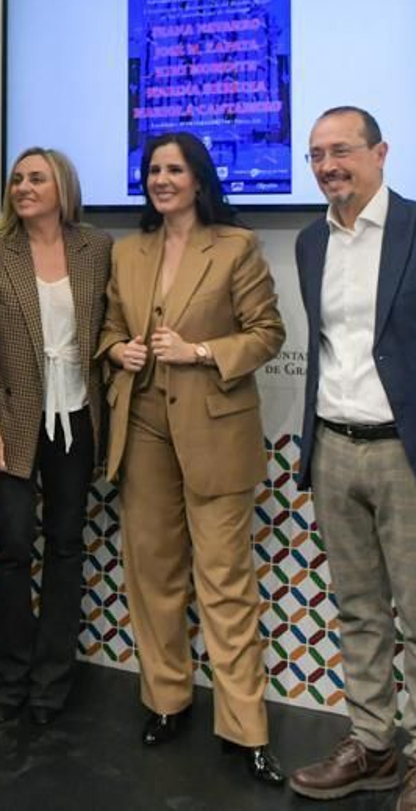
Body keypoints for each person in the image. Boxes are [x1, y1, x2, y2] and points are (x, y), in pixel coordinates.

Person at [288, 107, 416, 811]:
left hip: (413, 453)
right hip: (335, 449)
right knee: (357, 612)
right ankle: (373, 744)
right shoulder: (311, 241)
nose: (326, 165)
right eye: (316, 154)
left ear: (381, 152)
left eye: (341, 150)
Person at [99, 131, 287, 786]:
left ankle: (245, 728)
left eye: (174, 168)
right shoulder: (127, 252)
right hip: (144, 423)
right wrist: (117, 349)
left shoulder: (235, 246)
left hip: (215, 428)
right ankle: (166, 699)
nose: (162, 178)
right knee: (152, 574)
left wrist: (201, 352)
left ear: (199, 178)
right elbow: (110, 328)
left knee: (224, 581)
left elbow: (268, 333)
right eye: (153, 168)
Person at [0, 148, 113, 726]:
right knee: (13, 548)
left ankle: (51, 684)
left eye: (36, 178)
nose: (23, 186)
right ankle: (7, 680)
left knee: (67, 548)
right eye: (17, 178)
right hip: (12, 421)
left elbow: (111, 325)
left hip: (77, 419)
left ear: (62, 186)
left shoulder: (96, 248)